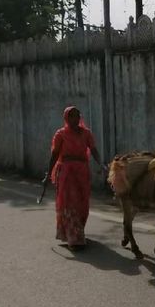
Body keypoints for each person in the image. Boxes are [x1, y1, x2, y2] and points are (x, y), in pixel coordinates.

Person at [44, 106, 106, 251]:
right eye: (71, 116)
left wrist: (101, 164)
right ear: (66, 118)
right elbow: (55, 154)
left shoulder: (86, 133)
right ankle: (74, 238)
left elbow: (94, 150)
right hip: (66, 172)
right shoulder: (61, 134)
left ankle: (78, 231)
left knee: (82, 204)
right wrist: (48, 173)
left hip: (82, 172)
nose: (75, 119)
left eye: (77, 116)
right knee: (69, 204)